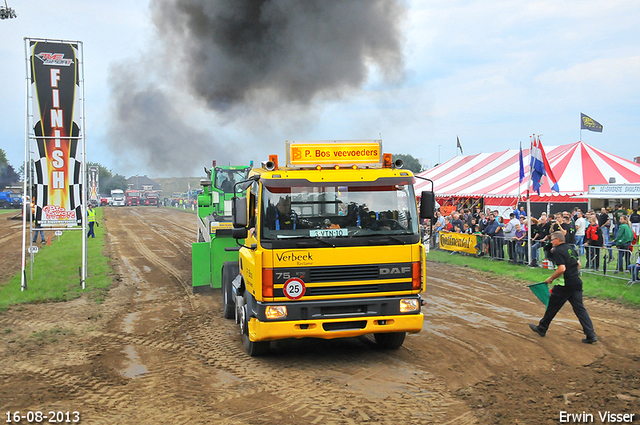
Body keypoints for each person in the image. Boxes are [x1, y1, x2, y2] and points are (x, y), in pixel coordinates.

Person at [529, 231, 598, 344]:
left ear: (557, 239)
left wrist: (551, 279)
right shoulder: (570, 248)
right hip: (576, 282)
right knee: (580, 310)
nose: (550, 242)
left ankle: (542, 328)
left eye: (552, 239)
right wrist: (573, 274)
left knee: (552, 307)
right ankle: (591, 334)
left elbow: (561, 269)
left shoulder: (558, 251)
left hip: (564, 285)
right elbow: (578, 264)